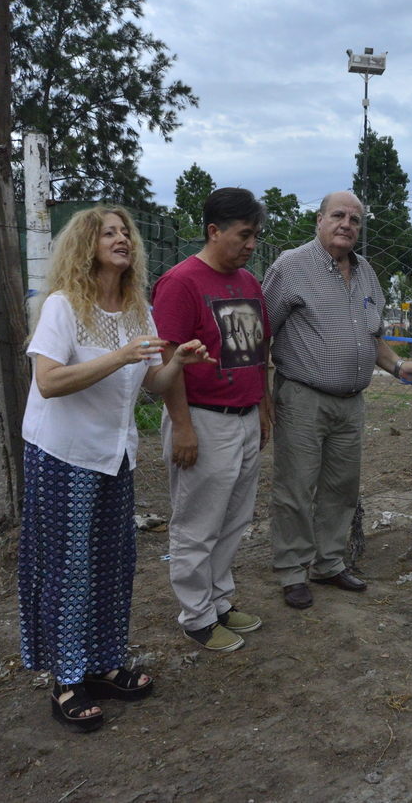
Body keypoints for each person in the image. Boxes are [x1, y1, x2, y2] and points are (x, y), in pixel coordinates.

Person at [20, 206, 215, 731]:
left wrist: (178, 363)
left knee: (112, 564)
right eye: (109, 233)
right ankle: (66, 679)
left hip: (114, 455)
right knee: (69, 569)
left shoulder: (136, 311)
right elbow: (48, 382)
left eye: (125, 232)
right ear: (87, 245)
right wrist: (120, 356)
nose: (122, 238)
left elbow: (154, 383)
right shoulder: (63, 305)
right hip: (62, 454)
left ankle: (104, 665)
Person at [262, 191, 412, 609]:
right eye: (338, 215)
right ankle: (292, 570)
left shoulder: (366, 272)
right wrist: (262, 395)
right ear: (319, 220)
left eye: (355, 220)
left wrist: (396, 366)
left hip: (351, 403)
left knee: (341, 487)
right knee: (296, 487)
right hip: (302, 397)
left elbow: (372, 336)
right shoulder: (290, 266)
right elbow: (262, 332)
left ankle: (328, 562)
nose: (347, 225)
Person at [152, 188, 272, 653]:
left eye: (255, 235)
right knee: (197, 524)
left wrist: (262, 407)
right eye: (244, 235)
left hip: (244, 418)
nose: (251, 245)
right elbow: (169, 361)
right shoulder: (181, 283)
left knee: (234, 519)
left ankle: (219, 601)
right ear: (213, 231)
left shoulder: (249, 283)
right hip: (203, 419)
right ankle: (196, 616)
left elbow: (257, 350)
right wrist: (182, 426)